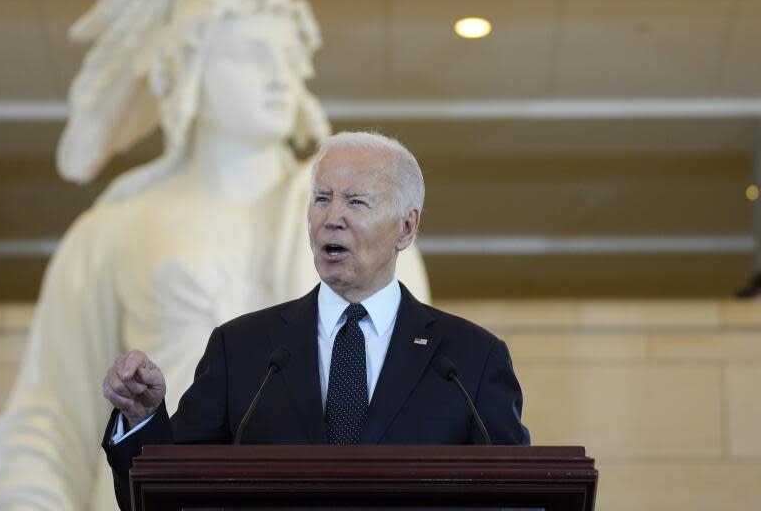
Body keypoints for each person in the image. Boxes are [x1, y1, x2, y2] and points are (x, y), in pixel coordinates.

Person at [0, 0, 431, 510]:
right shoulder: (114, 231)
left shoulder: (362, 227)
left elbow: (410, 395)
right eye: (254, 56)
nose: (283, 75)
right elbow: (49, 416)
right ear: (189, 68)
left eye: (291, 56)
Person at [101, 132, 530, 511]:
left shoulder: (469, 359)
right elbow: (170, 493)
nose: (331, 217)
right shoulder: (243, 348)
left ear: (405, 227)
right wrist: (142, 420)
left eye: (356, 202)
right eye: (322, 199)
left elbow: (515, 498)